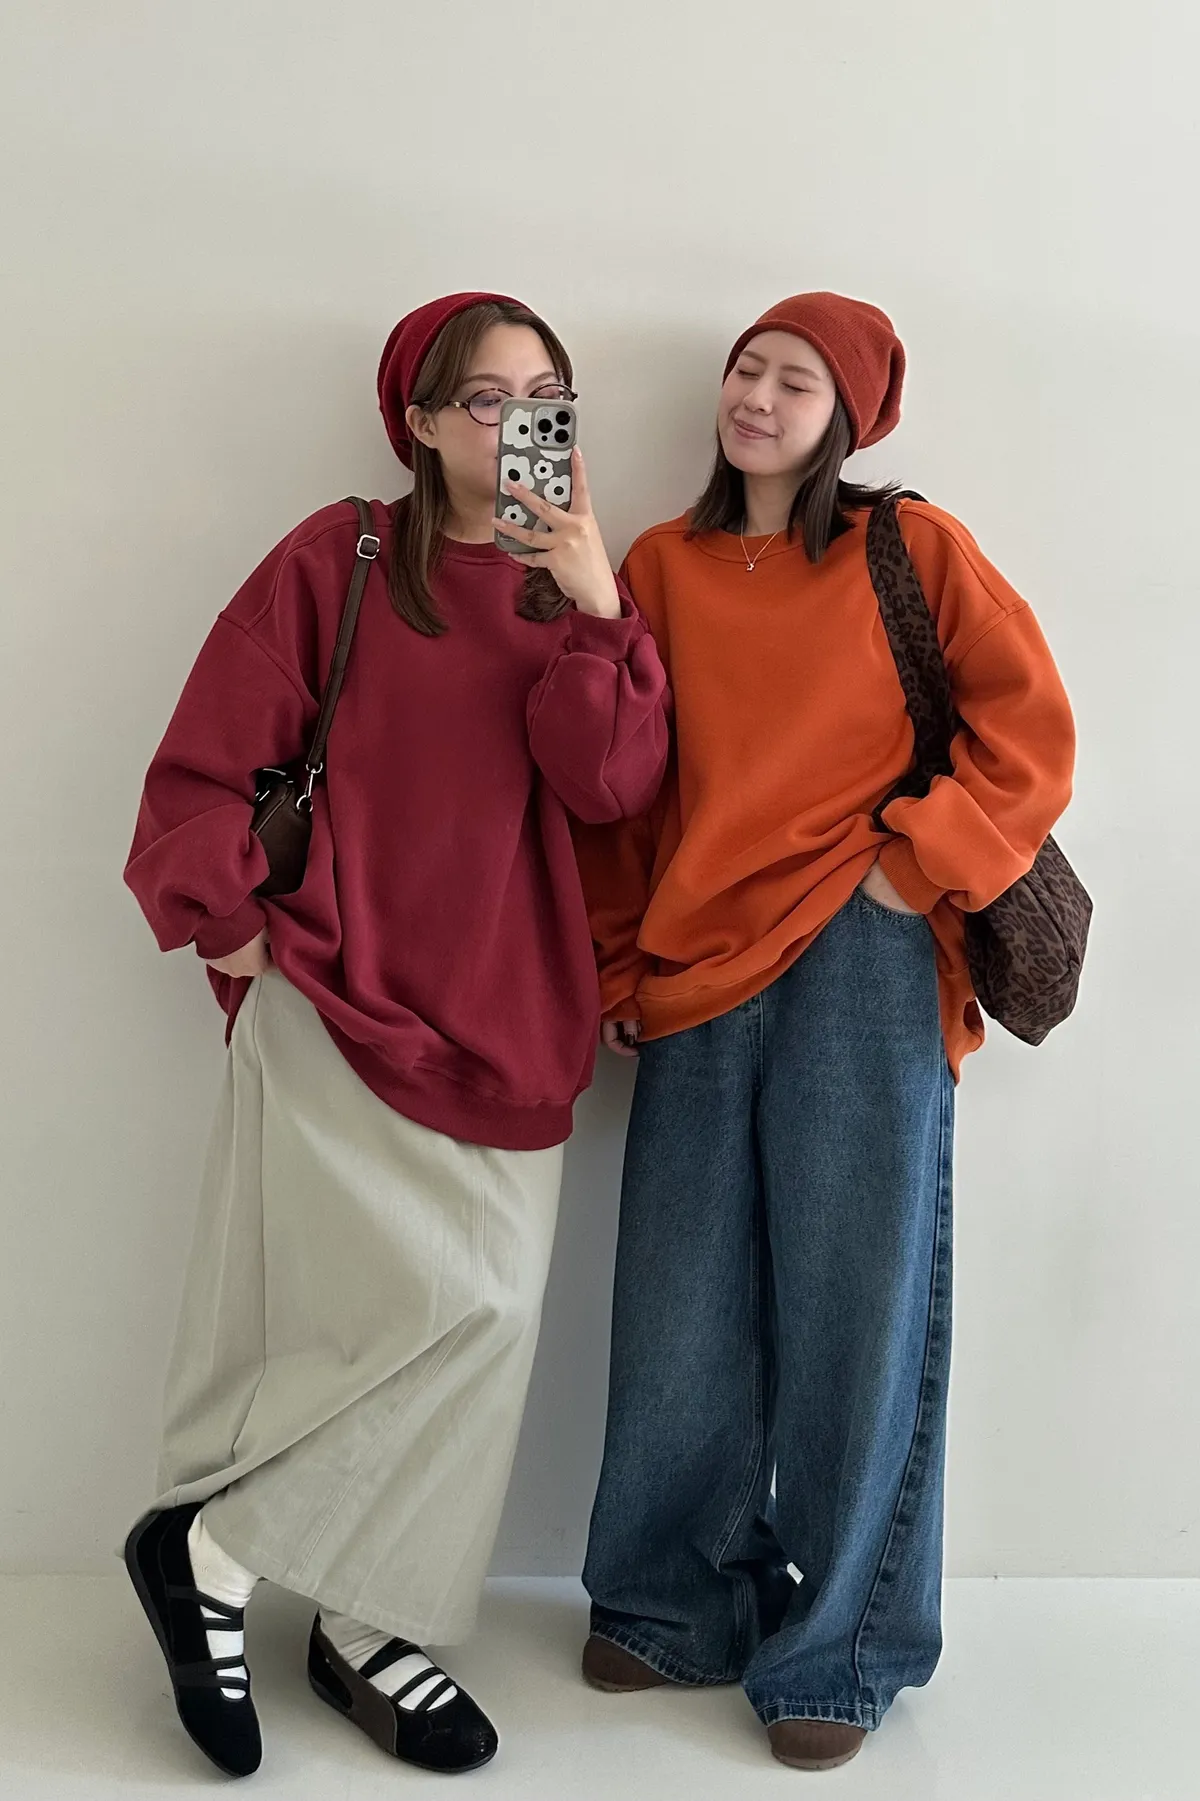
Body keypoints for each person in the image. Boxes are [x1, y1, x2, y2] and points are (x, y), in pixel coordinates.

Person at [121, 291, 668, 1779]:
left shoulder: (582, 594)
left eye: (545, 396)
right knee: (353, 1319)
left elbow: (611, 788)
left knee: (485, 1324)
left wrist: (594, 599)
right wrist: (223, 921)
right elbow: (205, 755)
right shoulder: (342, 557)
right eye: (486, 399)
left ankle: (271, 1581)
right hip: (339, 987)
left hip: (516, 1009)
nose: (519, 424)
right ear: (419, 423)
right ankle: (300, 1598)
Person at [571, 292, 1076, 1772]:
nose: (759, 396)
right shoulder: (658, 565)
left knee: (858, 1303)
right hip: (696, 962)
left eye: (796, 381)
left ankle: (841, 1649)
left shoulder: (909, 548)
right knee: (679, 1297)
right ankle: (671, 1604)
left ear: (846, 417)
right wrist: (618, 960)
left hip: (865, 954)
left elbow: (1030, 731)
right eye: (748, 368)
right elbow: (627, 791)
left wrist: (915, 865)